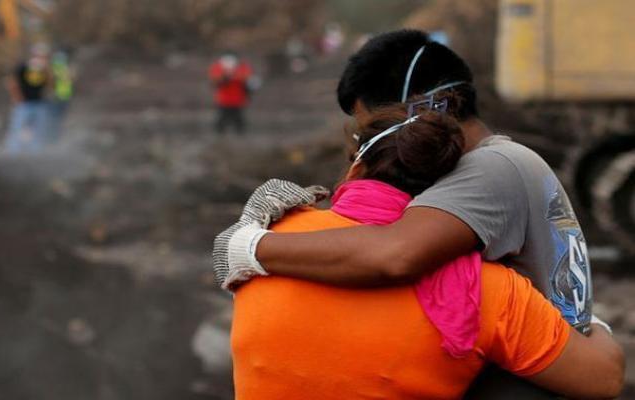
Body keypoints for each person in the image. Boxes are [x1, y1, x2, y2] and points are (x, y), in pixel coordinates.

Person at [214, 30, 596, 398]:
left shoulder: (489, 167)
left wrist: (252, 247)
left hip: (541, 368)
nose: (393, 144)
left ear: (442, 104)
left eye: (386, 127)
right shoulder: (509, 161)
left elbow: (395, 254)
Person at [4, 43, 51, 153]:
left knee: (39, 128)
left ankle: (36, 151)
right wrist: (17, 97)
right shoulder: (23, 67)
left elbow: (49, 83)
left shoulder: (44, 70)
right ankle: (13, 151)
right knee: (18, 127)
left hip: (39, 102)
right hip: (24, 103)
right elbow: (12, 83)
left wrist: (47, 69)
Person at [209, 52, 253, 134]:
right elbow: (216, 83)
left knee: (238, 119)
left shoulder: (242, 68)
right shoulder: (218, 68)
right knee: (222, 118)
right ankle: (220, 136)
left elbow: (247, 82)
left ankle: (239, 136)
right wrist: (226, 78)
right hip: (224, 100)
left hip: (237, 99)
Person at [48, 50, 74, 143]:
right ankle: (54, 136)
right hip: (58, 97)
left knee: (58, 118)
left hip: (62, 97)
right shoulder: (57, 70)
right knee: (56, 118)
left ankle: (56, 136)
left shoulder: (62, 70)